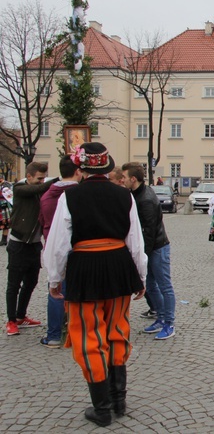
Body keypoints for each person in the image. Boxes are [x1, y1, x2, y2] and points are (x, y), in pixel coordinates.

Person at [43, 142, 147, 427]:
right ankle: (119, 400)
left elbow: (59, 244)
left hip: (85, 267)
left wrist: (55, 279)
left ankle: (101, 408)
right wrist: (141, 277)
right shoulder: (124, 195)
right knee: (117, 329)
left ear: (82, 168)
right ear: (107, 166)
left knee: (89, 335)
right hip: (117, 265)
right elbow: (135, 242)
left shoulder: (70, 197)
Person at [122, 162, 175, 340]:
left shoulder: (145, 199)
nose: (122, 180)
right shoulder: (137, 193)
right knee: (151, 286)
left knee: (164, 286)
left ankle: (169, 323)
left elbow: (149, 230)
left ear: (133, 179)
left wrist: (142, 256)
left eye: (124, 177)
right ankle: (160, 318)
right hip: (151, 247)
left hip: (157, 247)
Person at [5, 161, 56, 336]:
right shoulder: (19, 188)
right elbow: (35, 190)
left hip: (34, 244)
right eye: (39, 178)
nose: (42, 182)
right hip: (19, 243)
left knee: (31, 282)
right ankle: (11, 321)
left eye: (44, 178)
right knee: (13, 284)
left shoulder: (39, 190)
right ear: (29, 177)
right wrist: (58, 180)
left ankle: (21, 316)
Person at [38, 156, 83, 348]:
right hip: (78, 247)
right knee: (79, 292)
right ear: (77, 171)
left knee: (55, 290)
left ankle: (54, 335)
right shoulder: (79, 195)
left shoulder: (47, 195)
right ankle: (78, 332)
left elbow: (41, 220)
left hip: (52, 244)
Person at [0, 176, 12, 246]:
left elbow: (10, 195)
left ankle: (4, 240)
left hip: (4, 206)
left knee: (5, 223)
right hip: (3, 206)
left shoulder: (6, 184)